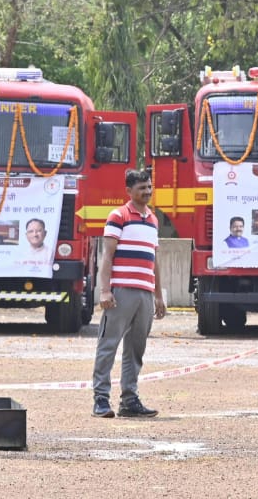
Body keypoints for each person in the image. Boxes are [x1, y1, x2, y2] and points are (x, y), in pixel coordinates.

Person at [92, 169, 166, 419]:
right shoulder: (118, 216)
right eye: (142, 188)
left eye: (149, 187)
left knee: (136, 348)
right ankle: (101, 399)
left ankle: (129, 400)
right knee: (108, 344)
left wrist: (158, 295)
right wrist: (105, 290)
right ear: (129, 191)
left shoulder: (153, 220)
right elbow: (107, 256)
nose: (147, 191)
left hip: (145, 293)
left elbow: (154, 260)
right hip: (121, 291)